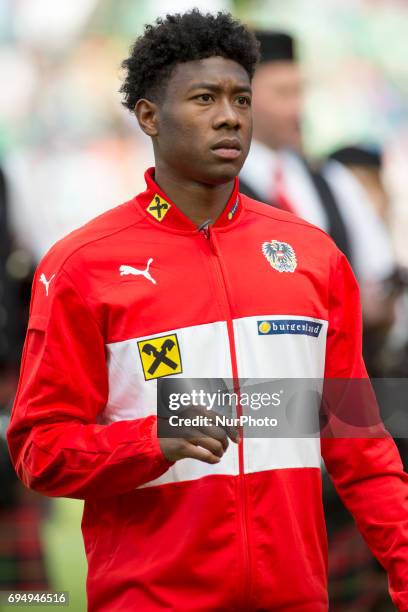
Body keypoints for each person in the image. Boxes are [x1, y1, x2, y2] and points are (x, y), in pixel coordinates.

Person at [6, 11, 408, 611]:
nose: (229, 116)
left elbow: (361, 450)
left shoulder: (312, 256)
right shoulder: (83, 267)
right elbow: (40, 449)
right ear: (148, 116)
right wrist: (151, 440)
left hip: (295, 599)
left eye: (241, 98)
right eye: (204, 98)